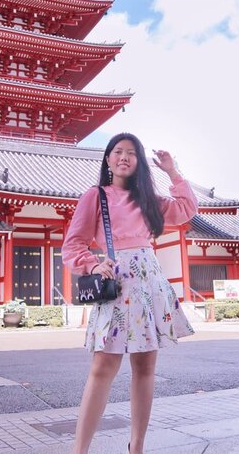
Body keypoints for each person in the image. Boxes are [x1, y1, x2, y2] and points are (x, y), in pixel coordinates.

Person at [62, 132, 199, 454]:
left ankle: (136, 446)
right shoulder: (95, 196)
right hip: (117, 282)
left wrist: (173, 172)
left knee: (145, 368)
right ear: (108, 159)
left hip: (149, 282)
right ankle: (79, 450)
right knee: (102, 368)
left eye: (131, 153)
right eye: (118, 152)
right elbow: (73, 244)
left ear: (138, 162)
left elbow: (186, 209)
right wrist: (93, 266)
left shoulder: (149, 199)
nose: (124, 157)